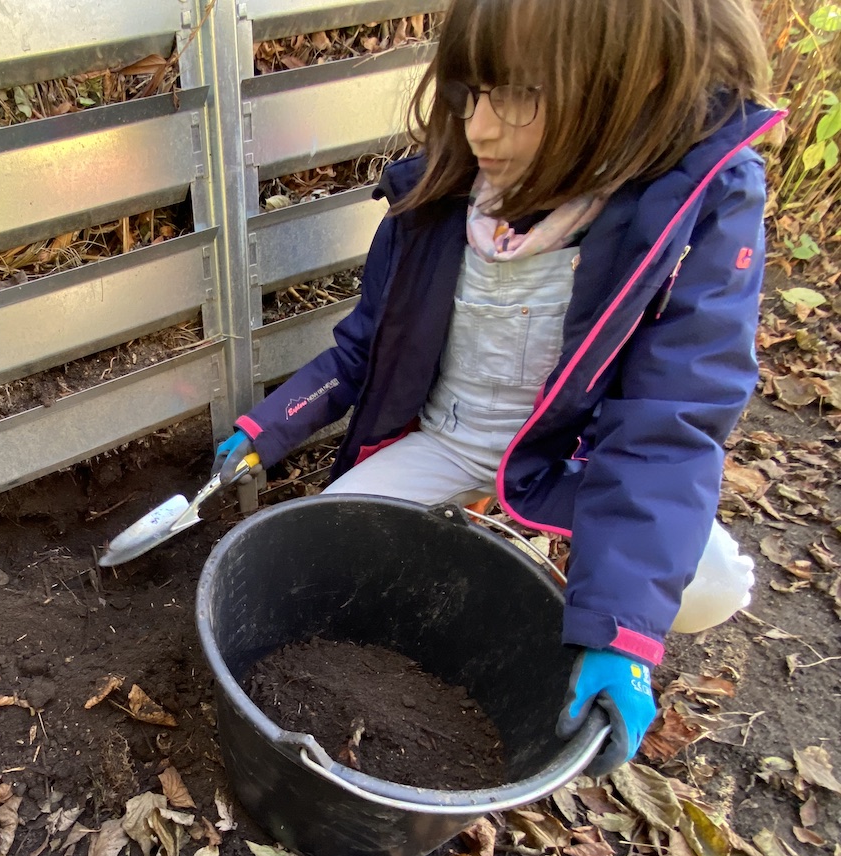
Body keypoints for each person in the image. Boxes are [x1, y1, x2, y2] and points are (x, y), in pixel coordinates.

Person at [211, 0, 779, 775]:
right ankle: (468, 541)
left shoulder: (686, 216)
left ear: (625, 85)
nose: (479, 127)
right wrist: (267, 428)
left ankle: (549, 572)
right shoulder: (442, 197)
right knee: (318, 545)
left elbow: (665, 428)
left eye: (517, 94)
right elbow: (359, 351)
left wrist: (620, 634)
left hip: (564, 469)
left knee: (704, 584)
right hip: (445, 441)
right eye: (472, 92)